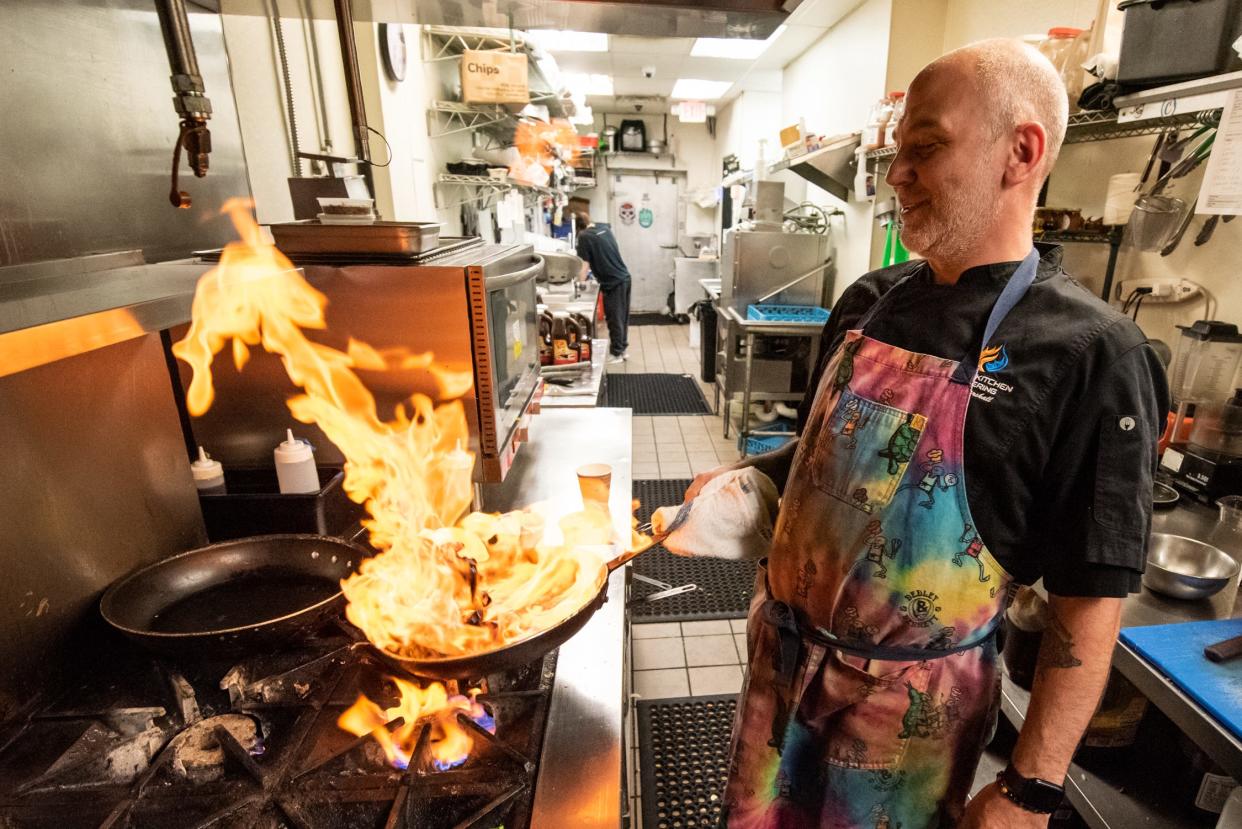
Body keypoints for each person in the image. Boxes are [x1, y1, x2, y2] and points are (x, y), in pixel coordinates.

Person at [685, 39, 1167, 829]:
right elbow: (821, 459)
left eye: (926, 148)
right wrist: (750, 483)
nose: (896, 174)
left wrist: (1029, 789)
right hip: (777, 681)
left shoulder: (1093, 355)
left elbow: (1088, 603)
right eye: (896, 152)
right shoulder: (869, 300)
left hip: (900, 735)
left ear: (1022, 151)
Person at [574, 210, 632, 363]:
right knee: (622, 317)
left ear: (578, 229)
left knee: (614, 318)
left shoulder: (584, 237)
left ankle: (617, 353)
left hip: (613, 282)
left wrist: (579, 284)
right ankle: (622, 349)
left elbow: (584, 265)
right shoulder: (604, 228)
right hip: (624, 277)